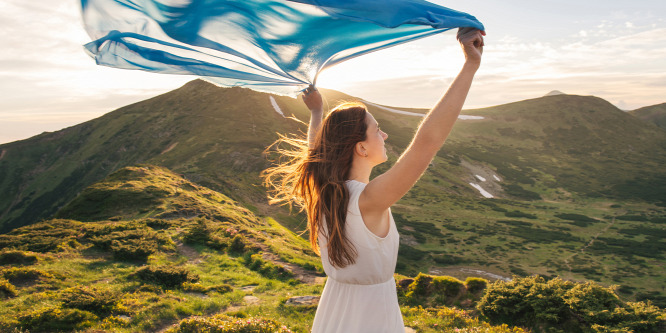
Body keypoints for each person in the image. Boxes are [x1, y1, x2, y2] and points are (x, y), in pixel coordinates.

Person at [262, 28, 484, 333]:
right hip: (372, 317)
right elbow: (427, 143)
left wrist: (317, 112)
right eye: (377, 130)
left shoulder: (326, 192)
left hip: (334, 311)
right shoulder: (368, 201)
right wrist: (470, 65)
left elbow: (316, 153)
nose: (385, 134)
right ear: (361, 148)